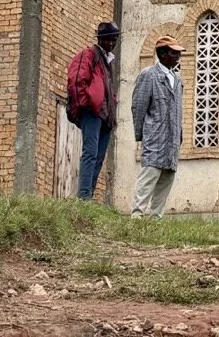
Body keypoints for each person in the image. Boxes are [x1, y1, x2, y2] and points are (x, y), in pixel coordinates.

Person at [130, 36, 185, 219]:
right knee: (149, 177)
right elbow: (138, 107)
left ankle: (156, 218)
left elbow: (178, 110)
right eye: (173, 52)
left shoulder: (177, 79)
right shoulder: (149, 75)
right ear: (162, 54)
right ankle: (137, 216)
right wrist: (141, 135)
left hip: (172, 139)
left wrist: (180, 134)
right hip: (155, 136)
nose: (177, 56)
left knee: (167, 178)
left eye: (178, 53)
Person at [67, 22, 120, 201]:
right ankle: (84, 196)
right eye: (108, 40)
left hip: (106, 115)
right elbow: (76, 80)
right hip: (92, 112)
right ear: (100, 39)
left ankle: (89, 193)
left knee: (99, 156)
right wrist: (85, 105)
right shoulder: (89, 54)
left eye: (114, 40)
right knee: (90, 153)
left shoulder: (108, 60)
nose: (111, 43)